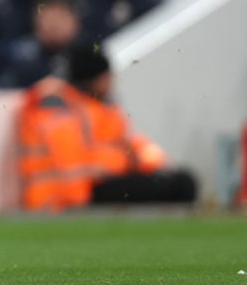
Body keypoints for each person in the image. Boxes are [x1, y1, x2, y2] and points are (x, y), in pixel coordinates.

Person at [17, 44, 196, 212]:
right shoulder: (57, 107)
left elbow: (132, 146)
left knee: (181, 182)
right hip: (63, 198)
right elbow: (70, 167)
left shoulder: (95, 107)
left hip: (98, 185)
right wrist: (78, 210)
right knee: (178, 186)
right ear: (99, 78)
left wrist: (160, 167)